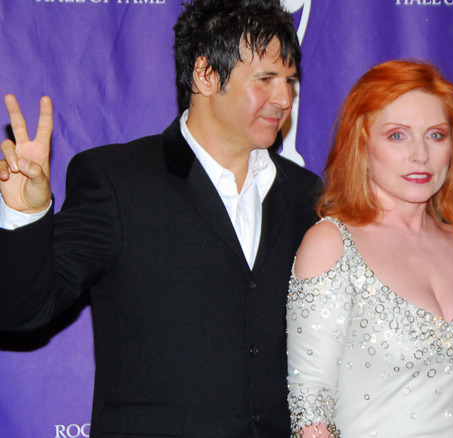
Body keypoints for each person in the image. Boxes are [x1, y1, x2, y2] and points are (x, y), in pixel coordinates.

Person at [0, 0, 320, 436]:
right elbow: (23, 312)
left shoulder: (307, 194)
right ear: (205, 75)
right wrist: (26, 215)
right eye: (265, 79)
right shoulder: (117, 180)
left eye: (289, 80)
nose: (284, 99)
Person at [285, 59, 453, 437]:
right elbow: (312, 406)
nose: (420, 155)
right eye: (397, 135)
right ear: (362, 143)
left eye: (436, 135)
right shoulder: (331, 244)